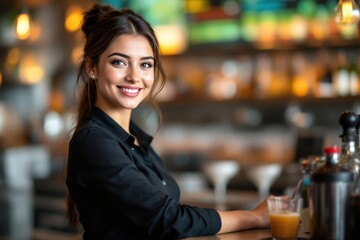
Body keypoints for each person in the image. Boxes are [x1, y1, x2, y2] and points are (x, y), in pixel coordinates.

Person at [66, 3, 269, 240]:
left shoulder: (135, 139)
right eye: (119, 62)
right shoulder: (95, 143)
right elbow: (168, 219)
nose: (134, 77)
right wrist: (255, 217)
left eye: (145, 64)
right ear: (92, 67)